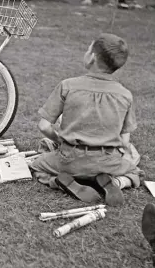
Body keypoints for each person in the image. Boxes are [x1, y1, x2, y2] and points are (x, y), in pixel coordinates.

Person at [30, 33, 142, 206]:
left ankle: (59, 182)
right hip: (106, 161)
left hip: (69, 159)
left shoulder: (68, 85)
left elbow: (44, 126)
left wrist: (59, 140)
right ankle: (117, 183)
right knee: (134, 170)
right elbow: (124, 141)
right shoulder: (125, 95)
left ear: (92, 57)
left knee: (37, 165)